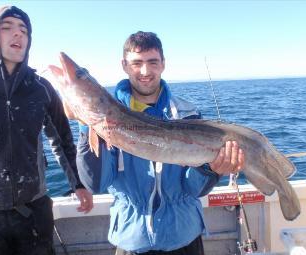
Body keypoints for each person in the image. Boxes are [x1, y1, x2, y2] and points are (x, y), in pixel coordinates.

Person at [76, 31, 245, 255]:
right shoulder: (108, 115)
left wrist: (210, 170)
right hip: (131, 239)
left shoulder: (188, 114)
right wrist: (87, 125)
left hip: (184, 237)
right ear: (124, 65)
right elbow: (96, 183)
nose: (145, 71)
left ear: (163, 64)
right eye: (137, 63)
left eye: (152, 62)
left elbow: (194, 190)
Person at [0, 5, 93, 255]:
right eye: (6, 28)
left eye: (24, 30)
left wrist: (78, 183)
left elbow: (62, 139)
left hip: (34, 210)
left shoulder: (40, 88)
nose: (17, 34)